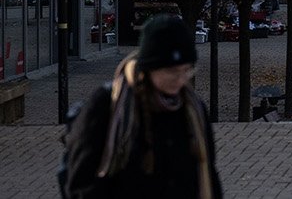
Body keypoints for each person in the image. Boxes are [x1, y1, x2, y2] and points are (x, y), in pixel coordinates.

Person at [64, 13, 221, 199]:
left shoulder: (193, 109)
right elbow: (82, 182)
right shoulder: (108, 105)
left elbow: (208, 174)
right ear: (149, 68)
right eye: (171, 71)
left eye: (186, 70)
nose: (180, 79)